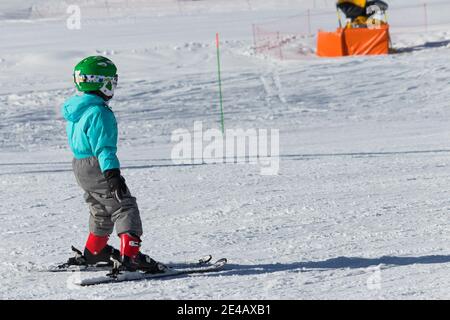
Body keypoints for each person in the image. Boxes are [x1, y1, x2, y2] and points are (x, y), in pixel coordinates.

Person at [61, 56, 164, 273]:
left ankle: (94, 251)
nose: (113, 86)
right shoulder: (100, 112)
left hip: (80, 166)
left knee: (101, 208)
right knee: (123, 205)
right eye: (112, 81)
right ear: (101, 82)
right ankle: (130, 257)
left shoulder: (77, 110)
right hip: (98, 164)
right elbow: (104, 148)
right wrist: (112, 174)